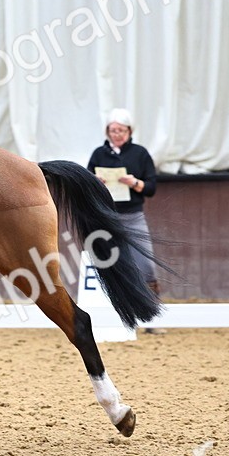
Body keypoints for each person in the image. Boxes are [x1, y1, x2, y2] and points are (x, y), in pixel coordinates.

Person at [87, 108, 163, 330]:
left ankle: (152, 316)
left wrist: (134, 183)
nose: (116, 134)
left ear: (130, 131)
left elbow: (151, 187)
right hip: (106, 216)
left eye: (121, 130)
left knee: (146, 265)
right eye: (113, 130)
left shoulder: (140, 154)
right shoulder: (98, 154)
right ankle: (119, 315)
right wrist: (95, 182)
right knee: (113, 265)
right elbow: (85, 182)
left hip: (133, 215)